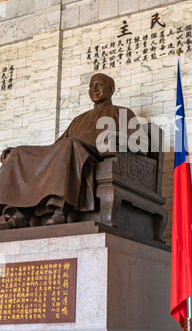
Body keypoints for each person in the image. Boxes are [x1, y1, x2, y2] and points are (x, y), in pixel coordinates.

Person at [0, 73, 137, 228]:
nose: (93, 89)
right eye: (91, 86)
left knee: (69, 145)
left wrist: (116, 136)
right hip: (72, 150)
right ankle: (17, 214)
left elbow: (140, 144)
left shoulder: (122, 113)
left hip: (97, 154)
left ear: (111, 90)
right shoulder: (79, 119)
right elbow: (55, 148)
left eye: (98, 85)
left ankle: (60, 210)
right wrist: (22, 152)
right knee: (18, 152)